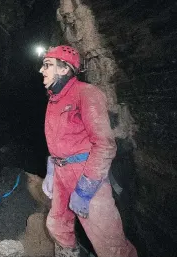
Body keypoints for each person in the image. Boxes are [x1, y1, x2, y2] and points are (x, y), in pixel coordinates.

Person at [39, 45, 138, 257]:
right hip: (61, 172)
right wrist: (51, 168)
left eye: (47, 65)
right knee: (57, 225)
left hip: (85, 171)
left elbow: (104, 144)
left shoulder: (86, 93)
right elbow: (59, 139)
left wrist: (86, 187)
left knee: (109, 243)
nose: (41, 70)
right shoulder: (54, 98)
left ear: (64, 69)